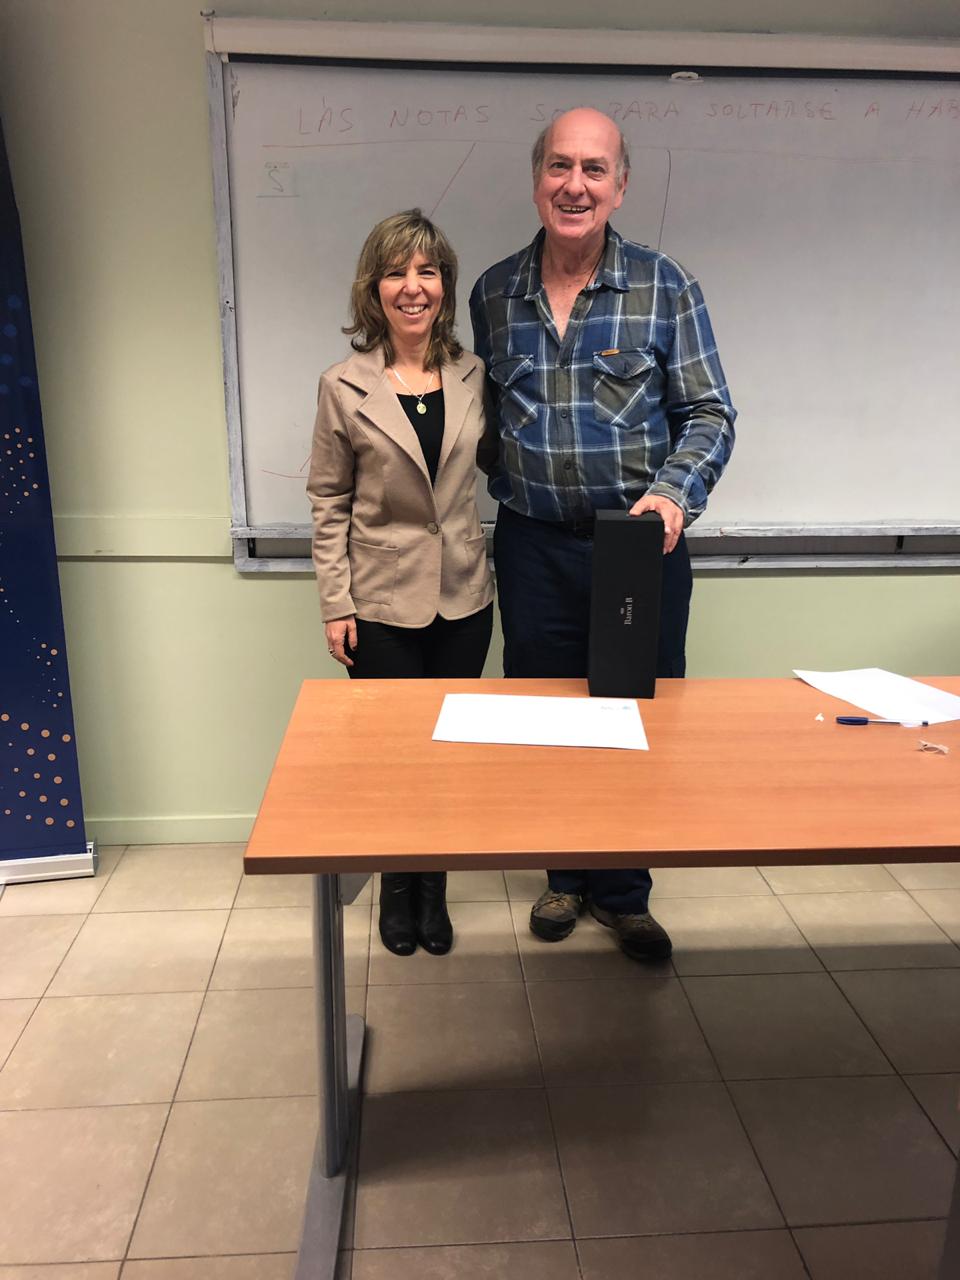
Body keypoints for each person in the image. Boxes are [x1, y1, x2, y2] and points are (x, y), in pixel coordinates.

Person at [470, 108, 736, 962]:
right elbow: (480, 423)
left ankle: (624, 893)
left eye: (593, 169)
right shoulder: (492, 294)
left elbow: (710, 413)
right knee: (545, 715)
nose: (574, 185)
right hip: (532, 544)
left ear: (620, 186)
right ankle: (564, 875)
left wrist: (673, 494)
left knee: (634, 719)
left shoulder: (666, 286)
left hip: (636, 547)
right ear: (536, 180)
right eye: (559, 166)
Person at [308, 209, 495, 958]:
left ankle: (433, 890)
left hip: (465, 596)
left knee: (446, 754)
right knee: (392, 759)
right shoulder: (342, 385)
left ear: (445, 284)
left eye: (427, 271)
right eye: (396, 272)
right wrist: (336, 603)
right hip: (380, 603)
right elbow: (329, 500)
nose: (413, 287)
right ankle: (396, 889)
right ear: (374, 288)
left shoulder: (474, 374)